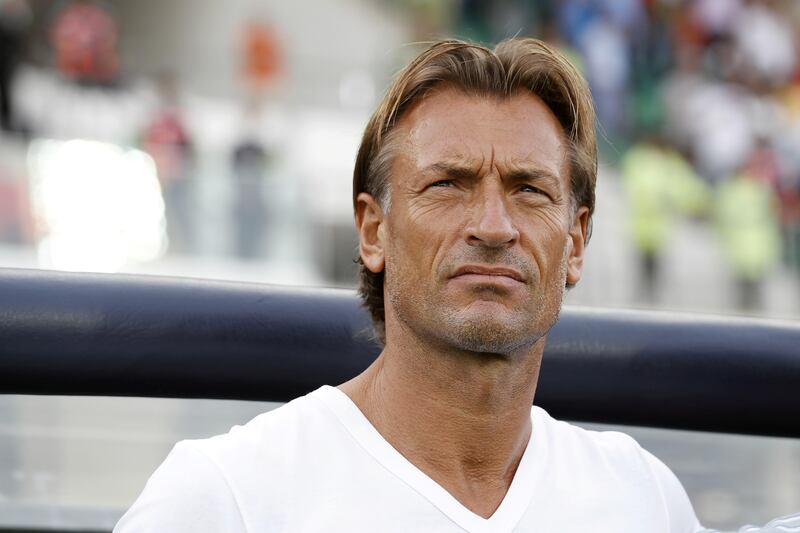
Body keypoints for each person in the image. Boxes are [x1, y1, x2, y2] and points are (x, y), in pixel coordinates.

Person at [115, 38, 703, 532]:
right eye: (447, 184)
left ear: (574, 242)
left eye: (529, 189)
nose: (493, 227)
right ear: (374, 232)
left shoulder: (644, 498)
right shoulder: (224, 499)